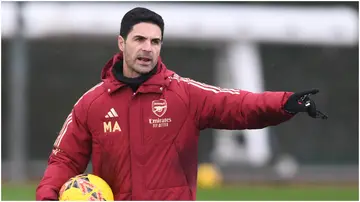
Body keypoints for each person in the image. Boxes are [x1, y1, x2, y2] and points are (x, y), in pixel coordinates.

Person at [36, 7, 327, 201]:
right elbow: (65, 160)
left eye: (155, 41)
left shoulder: (184, 94)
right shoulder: (92, 103)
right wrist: (48, 196)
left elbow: (238, 105)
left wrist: (285, 103)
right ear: (122, 43)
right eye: (139, 39)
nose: (147, 48)